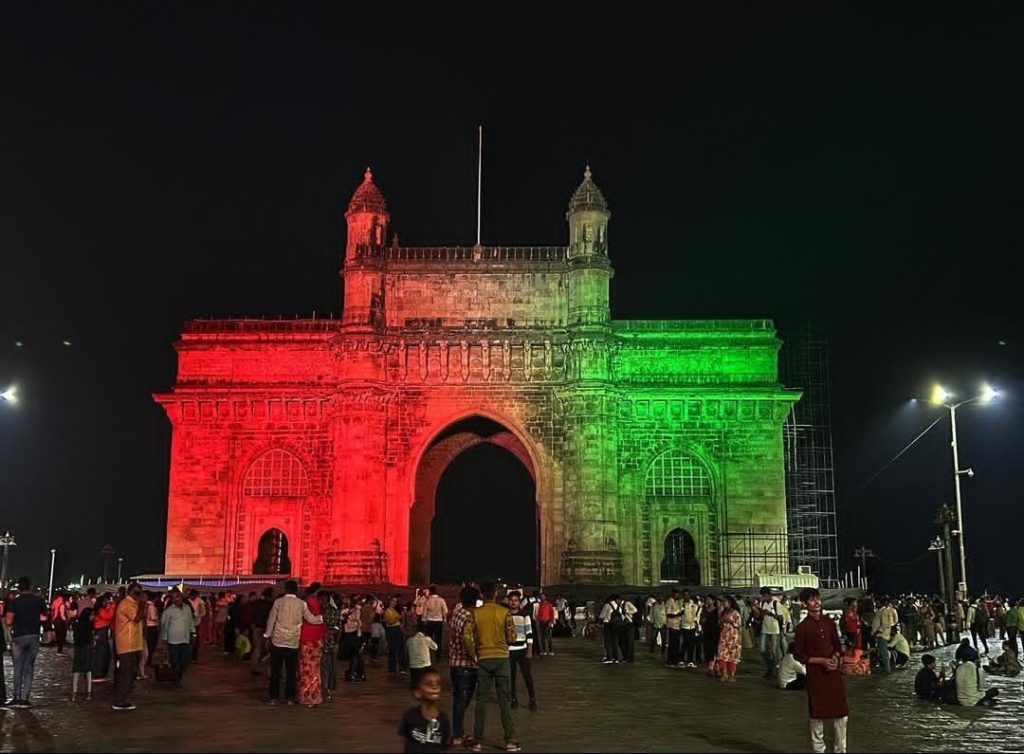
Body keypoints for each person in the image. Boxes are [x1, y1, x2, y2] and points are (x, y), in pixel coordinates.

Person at [466, 581, 520, 752]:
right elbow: (512, 637)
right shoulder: (505, 613)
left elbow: (466, 636)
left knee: (481, 701)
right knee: (504, 701)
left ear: (482, 594)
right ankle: (509, 741)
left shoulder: (475, 613)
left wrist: (473, 655)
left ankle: (478, 741)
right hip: (502, 658)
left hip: (483, 658)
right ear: (495, 594)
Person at [794, 587, 848, 754]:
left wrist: (836, 657)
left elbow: (838, 646)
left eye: (818, 598)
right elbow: (798, 654)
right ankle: (819, 750)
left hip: (833, 673)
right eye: (811, 599)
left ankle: (841, 750)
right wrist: (821, 661)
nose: (816, 602)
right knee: (817, 714)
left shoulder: (829, 622)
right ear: (804, 604)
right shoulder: (802, 628)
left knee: (841, 714)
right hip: (816, 676)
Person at [264, 579, 323, 705]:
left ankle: (273, 698)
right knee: (291, 672)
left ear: (285, 589)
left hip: (278, 641)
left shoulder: (278, 602)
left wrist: (267, 635)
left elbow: (271, 620)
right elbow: (311, 619)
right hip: (293, 642)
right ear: (296, 590)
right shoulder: (301, 603)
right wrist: (323, 617)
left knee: (275, 672)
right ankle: (289, 698)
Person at [4, 576, 46, 709]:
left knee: (18, 667)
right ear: (30, 587)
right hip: (34, 635)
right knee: (29, 667)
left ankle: (16, 697)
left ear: (19, 587)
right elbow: (44, 617)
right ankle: (25, 698)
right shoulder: (39, 601)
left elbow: (8, 621)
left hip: (19, 636)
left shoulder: (15, 602)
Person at [448, 586, 480, 748]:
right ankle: (457, 736)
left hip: (454, 664)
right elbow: (469, 641)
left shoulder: (457, 612)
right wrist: (476, 657)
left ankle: (458, 732)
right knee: (463, 701)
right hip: (466, 665)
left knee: (458, 700)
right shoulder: (469, 616)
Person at [398, 666, 451, 753]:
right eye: (429, 684)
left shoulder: (443, 720)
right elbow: (404, 740)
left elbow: (444, 746)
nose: (435, 687)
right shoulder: (410, 716)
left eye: (438, 684)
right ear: (418, 693)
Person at [112, 582, 146, 711]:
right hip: (127, 644)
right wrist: (143, 604)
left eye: (141, 593)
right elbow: (136, 618)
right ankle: (119, 700)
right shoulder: (126, 604)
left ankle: (123, 697)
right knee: (126, 673)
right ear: (130, 592)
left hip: (134, 644)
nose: (139, 596)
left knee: (131, 673)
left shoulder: (133, 603)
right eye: (137, 593)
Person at [506, 591, 537, 710]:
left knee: (527, 676)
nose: (513, 603)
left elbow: (529, 633)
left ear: (519, 602)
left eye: (515, 600)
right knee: (511, 677)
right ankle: (513, 699)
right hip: (509, 650)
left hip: (522, 650)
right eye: (511, 600)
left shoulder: (525, 615)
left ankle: (532, 699)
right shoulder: (505, 615)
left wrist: (529, 649)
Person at [159, 588, 195, 685]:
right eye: (174, 598)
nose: (176, 599)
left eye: (177, 596)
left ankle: (178, 675)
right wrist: (164, 639)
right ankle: (175, 678)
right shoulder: (169, 611)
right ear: (172, 599)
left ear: (181, 597)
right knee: (175, 661)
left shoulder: (187, 608)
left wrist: (193, 633)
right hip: (173, 640)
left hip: (185, 639)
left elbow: (190, 621)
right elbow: (164, 625)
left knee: (185, 661)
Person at [298, 583, 325, 708]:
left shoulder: (306, 601)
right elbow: (312, 619)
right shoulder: (311, 602)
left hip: (308, 636)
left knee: (307, 668)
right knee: (312, 669)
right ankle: (311, 697)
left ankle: (307, 696)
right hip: (314, 637)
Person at [70, 605, 94, 702]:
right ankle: (88, 691)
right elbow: (89, 638)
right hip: (86, 647)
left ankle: (74, 692)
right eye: (92, 615)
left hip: (78, 647)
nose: (93, 617)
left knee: (77, 670)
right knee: (87, 669)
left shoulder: (77, 624)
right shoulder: (88, 625)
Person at [716, 595, 742, 683]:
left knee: (733, 655)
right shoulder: (723, 612)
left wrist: (730, 621)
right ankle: (724, 673)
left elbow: (738, 624)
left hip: (733, 636)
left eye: (725, 601)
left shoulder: (735, 612)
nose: (723, 603)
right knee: (721, 654)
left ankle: (732, 675)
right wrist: (722, 620)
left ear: (730, 602)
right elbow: (719, 624)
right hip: (724, 636)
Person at [407, 622, 438, 687]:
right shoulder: (426, 639)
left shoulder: (409, 640)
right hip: (425, 665)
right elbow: (435, 647)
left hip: (413, 666)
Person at [423, 586, 448, 657]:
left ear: (430, 592)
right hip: (438, 620)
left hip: (430, 621)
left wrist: (424, 620)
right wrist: (443, 616)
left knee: (428, 638)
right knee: (438, 638)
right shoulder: (441, 600)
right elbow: (445, 610)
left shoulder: (428, 601)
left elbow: (424, 612)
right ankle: (438, 655)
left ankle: (428, 654)